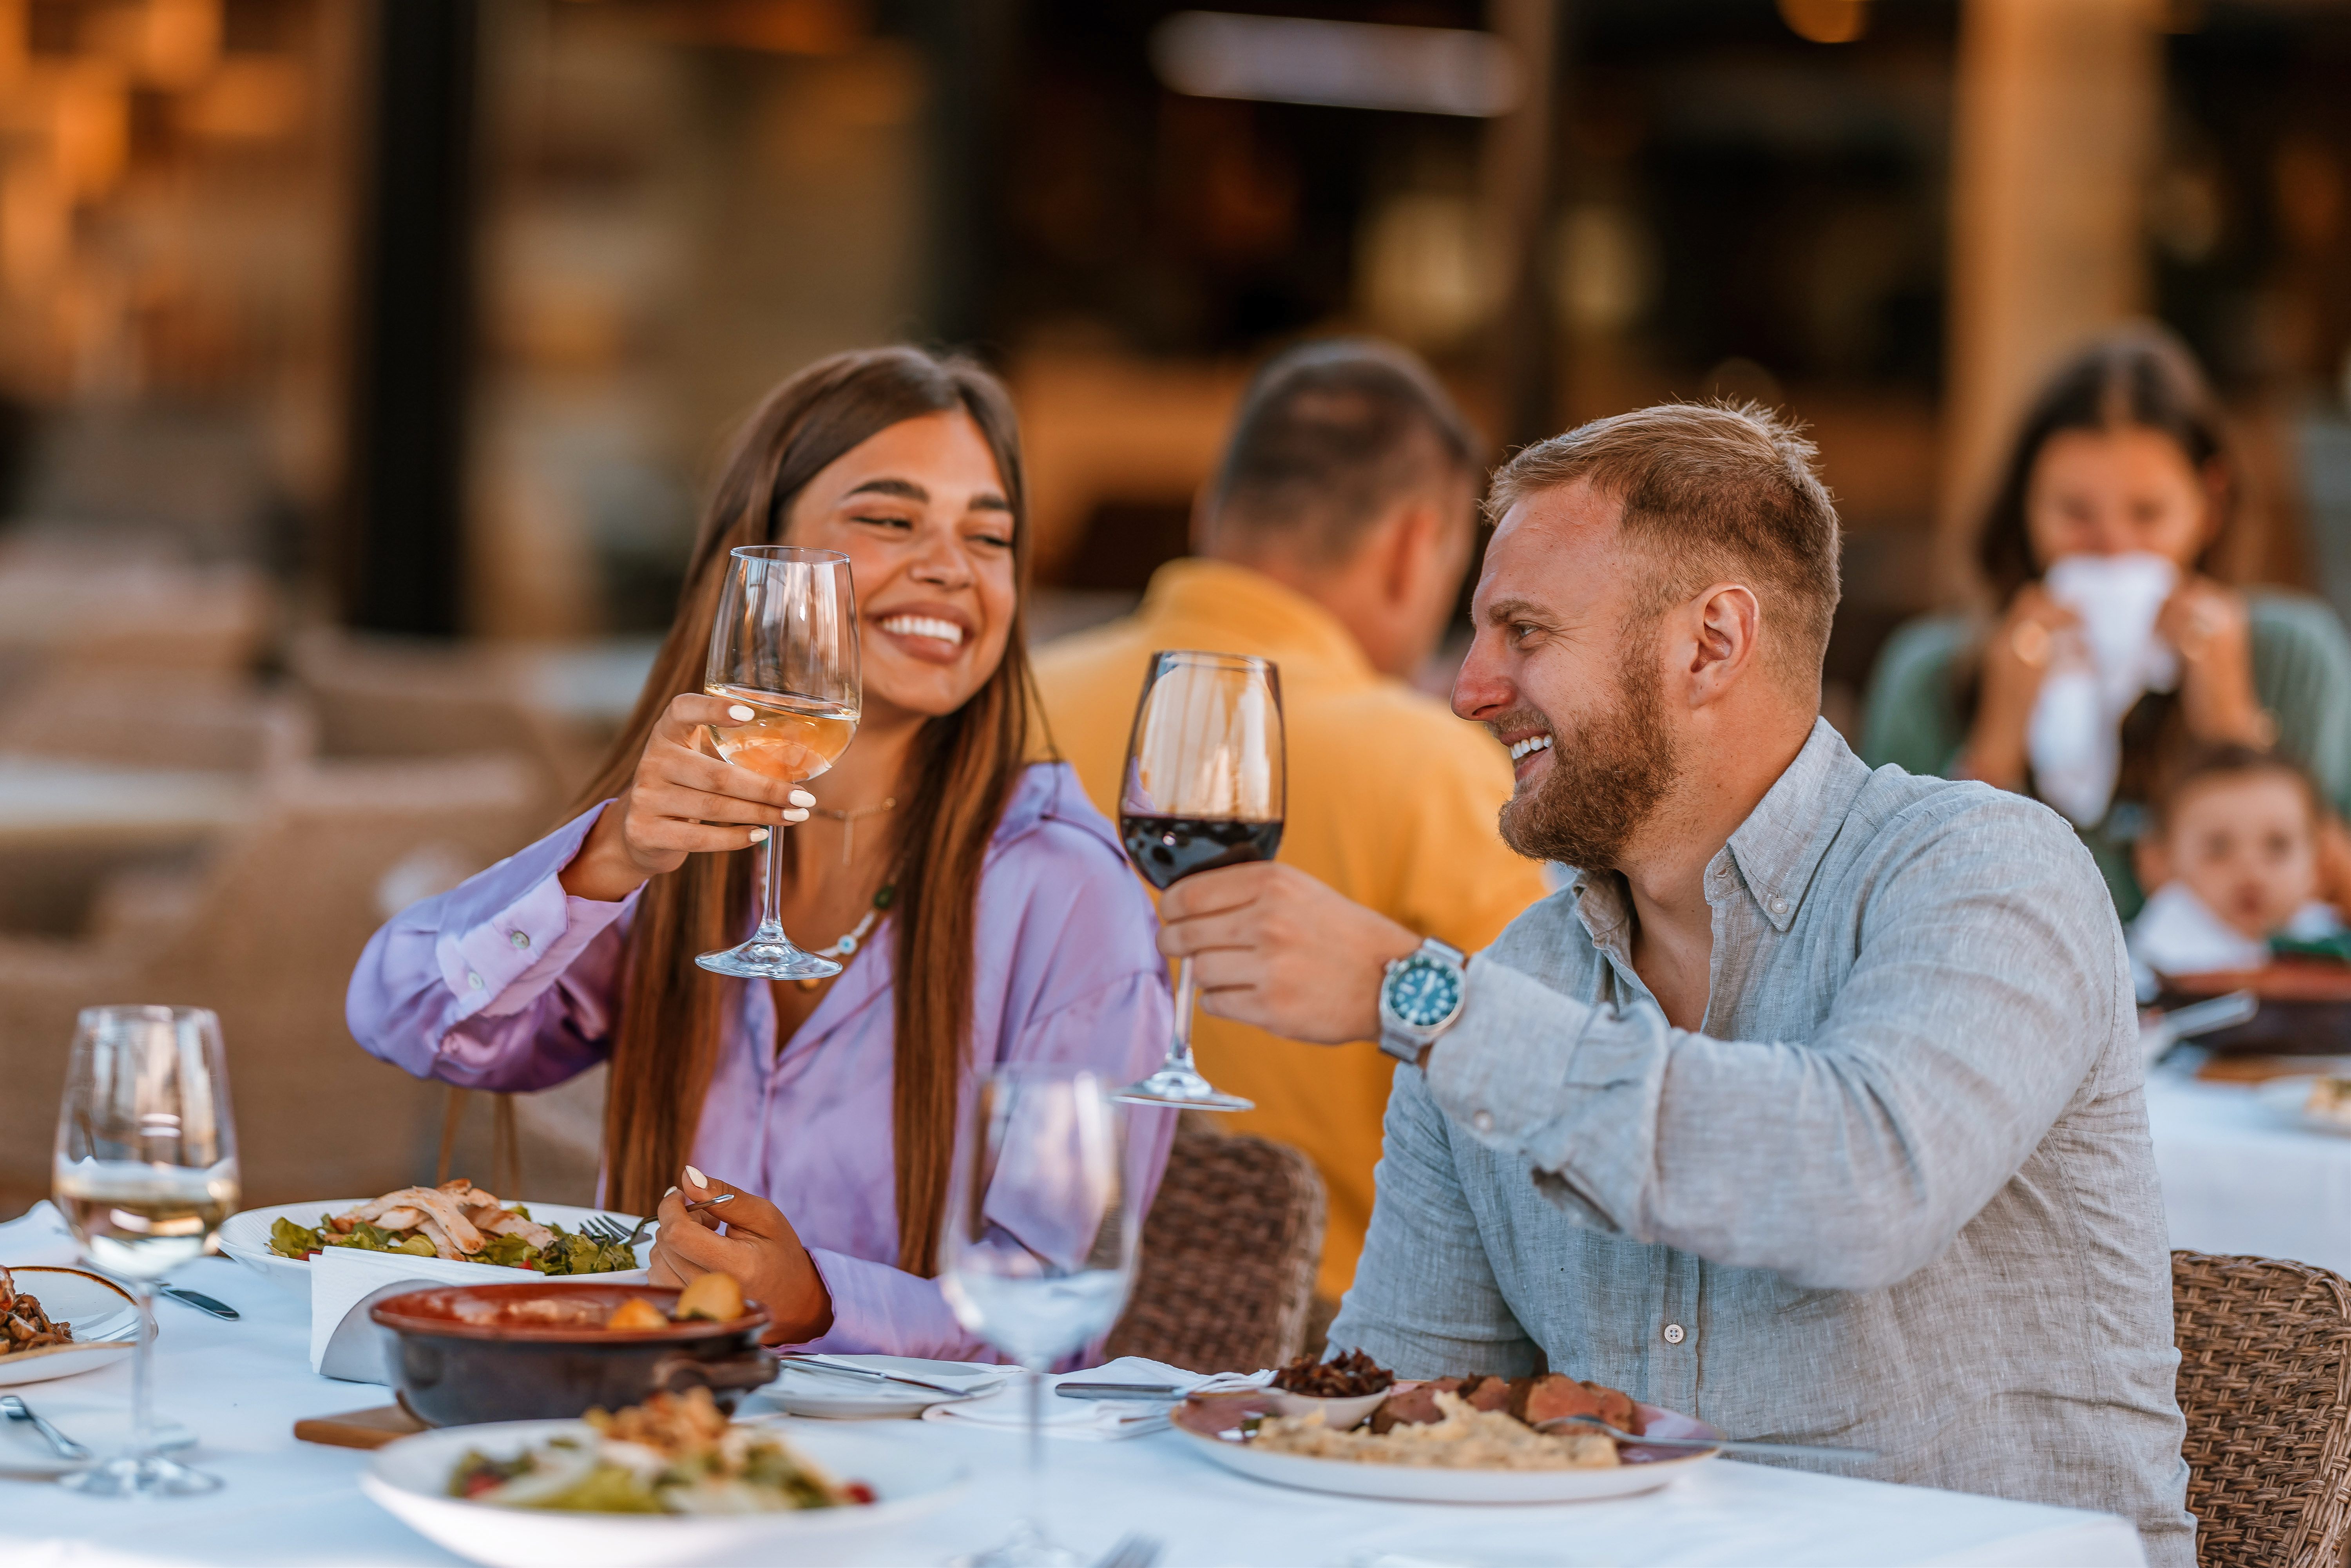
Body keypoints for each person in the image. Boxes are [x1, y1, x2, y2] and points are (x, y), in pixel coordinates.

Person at [1148, 401, 2193, 1561]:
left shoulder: (1982, 869)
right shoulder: (1517, 978)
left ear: (1709, 643)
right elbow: (1397, 1406)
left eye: (1525, 631)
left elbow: (1862, 1180)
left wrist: (1413, 997)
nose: (1469, 687)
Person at [347, 347, 1175, 1359]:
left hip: (922, 1480)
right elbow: (409, 1024)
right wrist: (609, 856)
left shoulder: (1069, 897)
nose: (951, 567)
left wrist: (822, 1302)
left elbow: (1061, 1312)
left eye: (989, 536)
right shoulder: (680, 856)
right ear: (759, 561)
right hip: (647, 1435)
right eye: (888, 518)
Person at [1031, 339, 1549, 1303]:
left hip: (1020, 1294)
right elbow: (1538, 1089)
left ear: (1207, 511)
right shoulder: (1434, 766)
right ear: (1412, 547)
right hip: (1319, 1341)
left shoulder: (1018, 704)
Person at [1862, 325, 2351, 918]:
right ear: (2024, 508)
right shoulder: (1929, 670)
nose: (2113, 548)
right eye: (2074, 513)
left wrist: (2231, 729)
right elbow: (1880, 907)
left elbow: (2334, 900)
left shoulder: (2293, 653)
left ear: (2209, 505)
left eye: (2148, 514)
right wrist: (1997, 742)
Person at [2128, 743, 2344, 976]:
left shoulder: (2323, 935)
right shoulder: (2159, 952)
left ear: (2319, 862)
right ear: (2161, 862)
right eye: (2218, 849)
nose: (2252, 872)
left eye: (2277, 845)